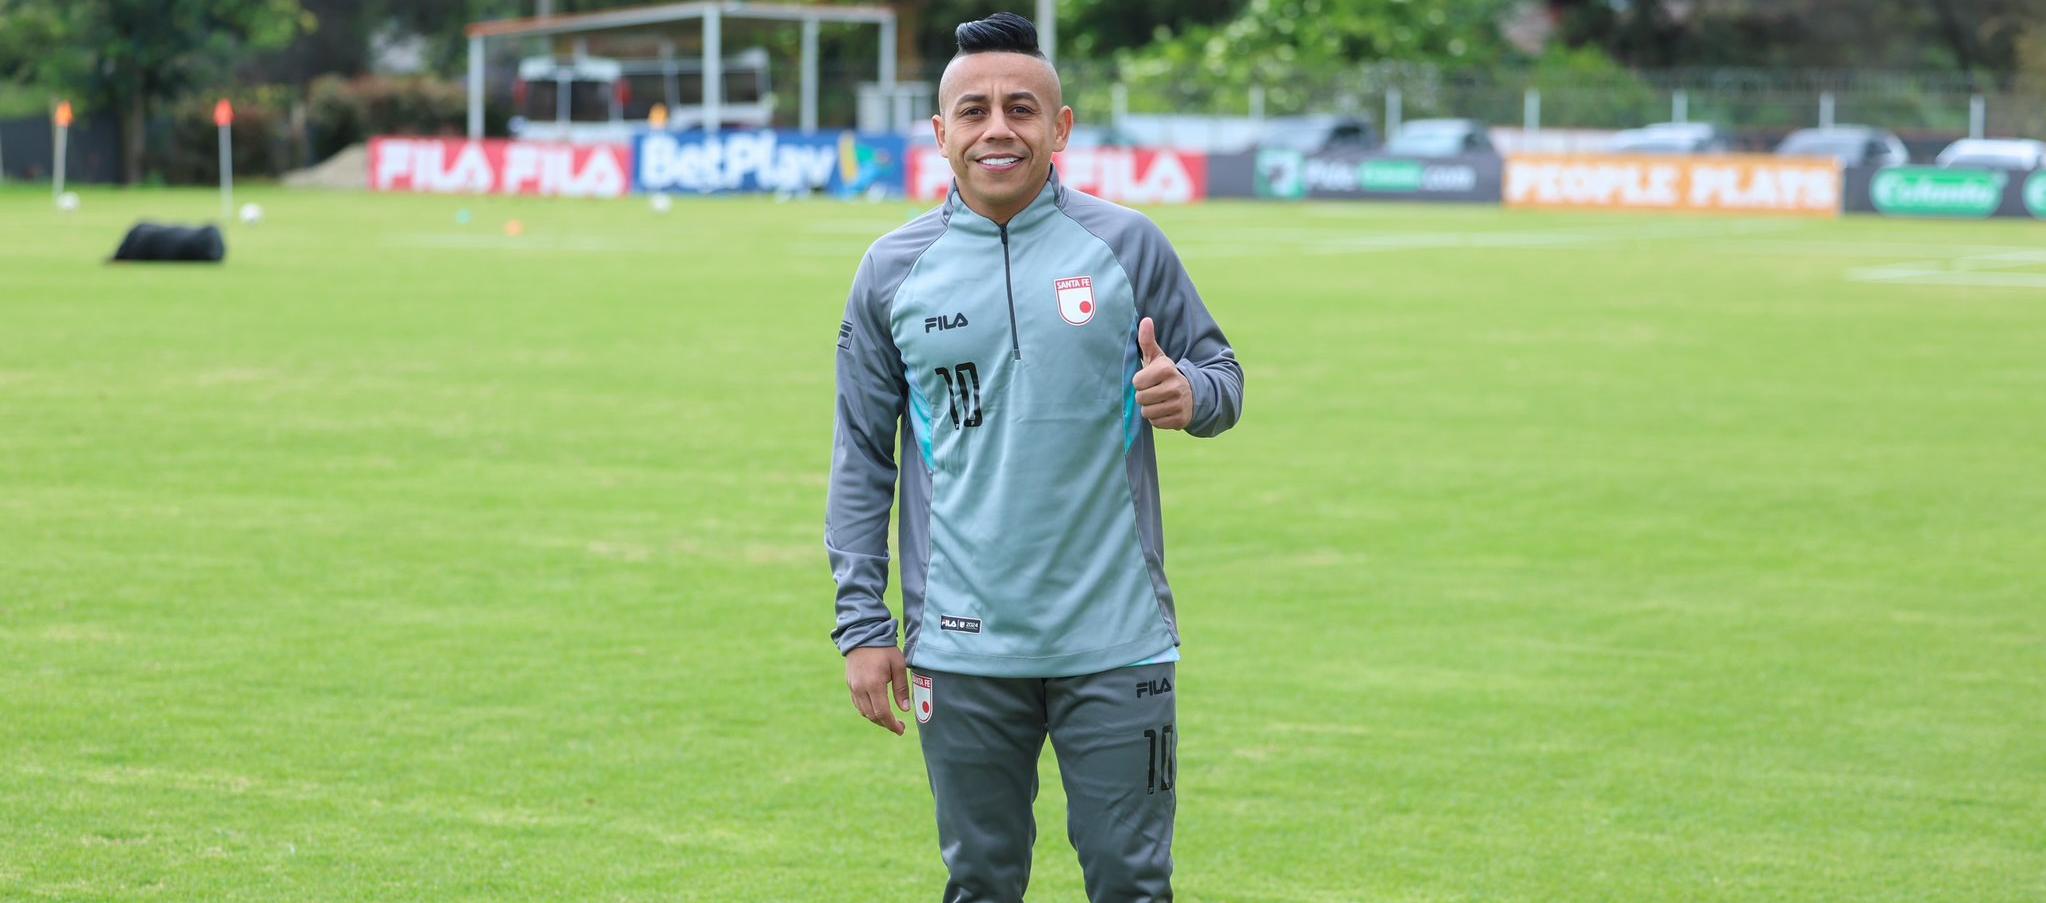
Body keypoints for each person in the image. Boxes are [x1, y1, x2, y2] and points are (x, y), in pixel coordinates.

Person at [826, 12, 1244, 902]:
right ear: (940, 135)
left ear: (1061, 129)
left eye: (1022, 107)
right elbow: (863, 457)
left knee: (1134, 884)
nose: (998, 128)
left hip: (1117, 638)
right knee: (980, 882)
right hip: (961, 642)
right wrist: (863, 624)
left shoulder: (1129, 245)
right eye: (972, 111)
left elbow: (1221, 374)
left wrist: (1192, 397)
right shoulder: (891, 271)